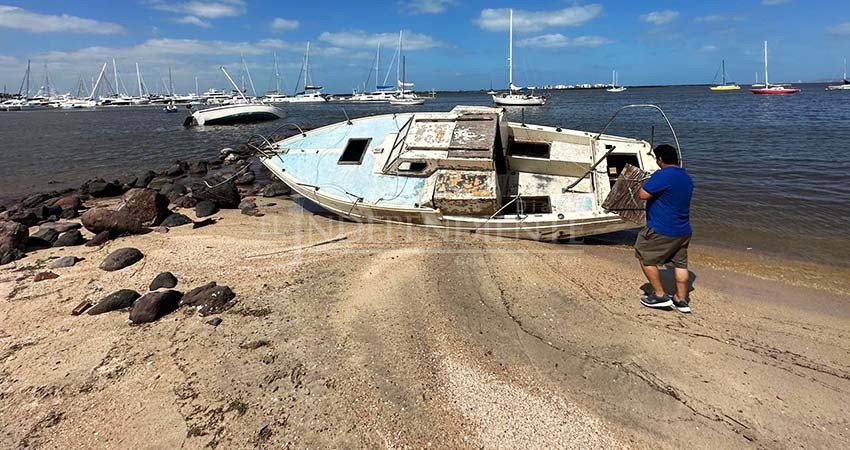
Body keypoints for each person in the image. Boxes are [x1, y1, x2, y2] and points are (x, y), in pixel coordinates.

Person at [634, 144, 694, 313]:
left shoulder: (663, 175)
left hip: (661, 229)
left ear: (660, 160)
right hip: (683, 230)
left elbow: (642, 194)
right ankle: (681, 299)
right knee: (680, 265)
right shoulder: (686, 177)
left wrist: (652, 179)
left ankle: (659, 296)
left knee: (645, 257)